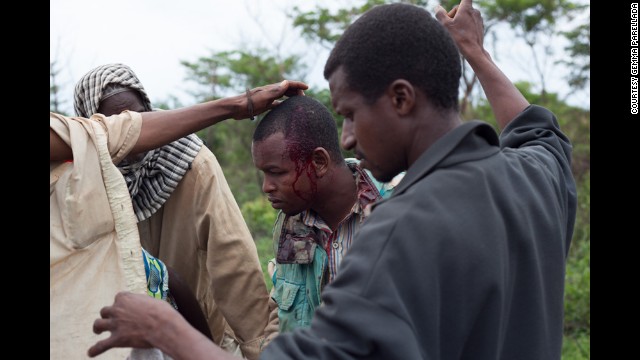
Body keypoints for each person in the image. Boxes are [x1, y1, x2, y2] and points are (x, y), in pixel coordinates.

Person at [86, 1, 577, 359]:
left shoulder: (395, 232)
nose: (345, 139)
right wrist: (474, 50)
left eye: (349, 114)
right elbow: (536, 126)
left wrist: (164, 326)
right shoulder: (535, 177)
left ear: (402, 99)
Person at [50, 79, 308, 359]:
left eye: (137, 117)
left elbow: (232, 257)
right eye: (115, 122)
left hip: (201, 330)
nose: (132, 140)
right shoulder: (81, 178)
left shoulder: (189, 161)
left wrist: (257, 347)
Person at [251, 95, 399, 334]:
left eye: (275, 172)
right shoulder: (291, 223)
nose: (266, 186)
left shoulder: (397, 208)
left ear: (319, 161)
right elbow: (280, 317)